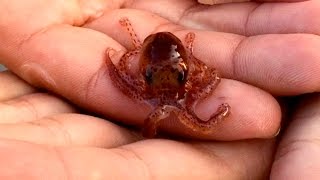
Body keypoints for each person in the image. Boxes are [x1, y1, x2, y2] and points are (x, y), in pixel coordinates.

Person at [0, 0, 319, 179]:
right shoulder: (156, 75)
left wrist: (125, 60)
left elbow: (127, 66)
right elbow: (127, 67)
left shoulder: (157, 77)